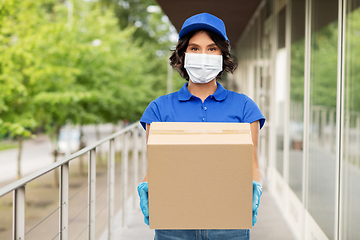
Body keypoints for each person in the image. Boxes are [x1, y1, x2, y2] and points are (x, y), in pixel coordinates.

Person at [137, 12, 265, 240]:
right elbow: (157, 165)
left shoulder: (245, 107)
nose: (203, 55)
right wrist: (147, 186)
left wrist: (255, 185)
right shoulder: (159, 109)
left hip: (229, 224)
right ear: (183, 54)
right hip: (173, 225)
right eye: (195, 48)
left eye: (211, 48)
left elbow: (252, 163)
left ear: (222, 54)